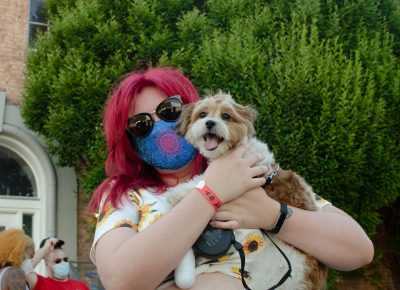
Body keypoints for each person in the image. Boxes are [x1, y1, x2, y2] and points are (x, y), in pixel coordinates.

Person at [88, 67, 374, 290]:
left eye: (170, 110)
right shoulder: (124, 195)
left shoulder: (254, 170)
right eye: (141, 124)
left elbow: (357, 250)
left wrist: (272, 215)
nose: (161, 127)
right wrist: (209, 193)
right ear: (127, 139)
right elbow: (121, 280)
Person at [25, 237, 90, 290]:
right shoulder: (40, 283)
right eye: (57, 261)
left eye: (65, 259)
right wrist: (45, 250)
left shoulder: (82, 286)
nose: (63, 263)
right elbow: (24, 269)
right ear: (46, 263)